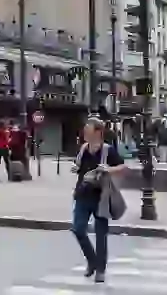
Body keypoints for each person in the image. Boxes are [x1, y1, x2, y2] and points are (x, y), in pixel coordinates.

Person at [71, 117, 125, 284]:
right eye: (85, 128)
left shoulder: (108, 150)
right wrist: (76, 168)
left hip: (101, 196)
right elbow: (79, 166)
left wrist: (108, 169)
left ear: (98, 132)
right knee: (78, 229)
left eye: (88, 128)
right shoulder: (83, 149)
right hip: (82, 194)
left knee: (101, 234)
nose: (85, 131)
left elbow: (123, 166)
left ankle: (100, 269)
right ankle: (92, 260)